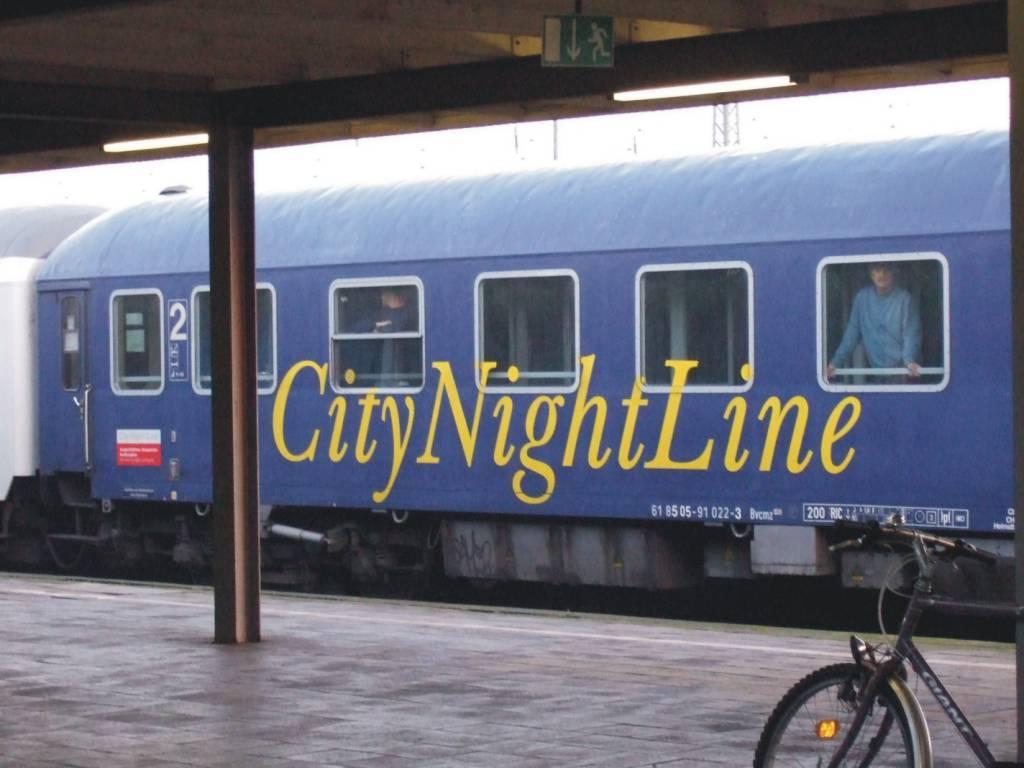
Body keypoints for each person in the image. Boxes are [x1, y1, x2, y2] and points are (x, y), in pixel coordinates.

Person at [826, 262, 922, 381]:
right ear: (871, 274)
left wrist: (910, 361)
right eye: (877, 270)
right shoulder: (862, 299)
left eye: (886, 270)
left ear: (893, 273)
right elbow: (851, 335)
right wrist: (835, 363)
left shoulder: (905, 299)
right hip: (876, 373)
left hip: (902, 372)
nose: (881, 274)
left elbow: (911, 334)